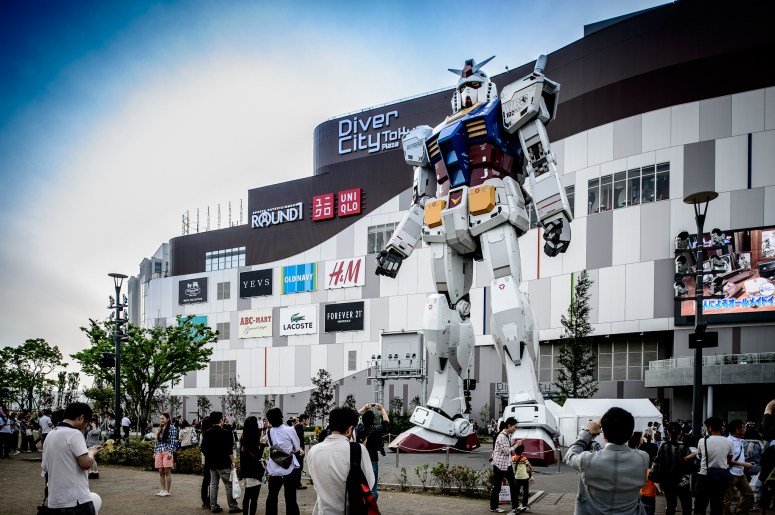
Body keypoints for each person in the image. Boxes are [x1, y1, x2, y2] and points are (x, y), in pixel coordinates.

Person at [565, 407, 650, 515]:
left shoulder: (588, 460)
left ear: (603, 434)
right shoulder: (643, 458)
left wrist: (587, 433)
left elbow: (570, 456)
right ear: (630, 434)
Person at [307, 406, 374, 515]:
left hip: (322, 511)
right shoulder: (358, 449)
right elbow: (368, 484)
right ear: (350, 429)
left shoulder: (313, 451)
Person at [40, 402, 102, 514]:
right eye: (86, 423)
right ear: (81, 417)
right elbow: (86, 464)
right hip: (76, 500)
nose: (84, 427)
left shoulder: (50, 435)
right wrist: (91, 452)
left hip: (55, 501)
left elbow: (45, 468)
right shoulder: (74, 434)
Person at [201, 411, 241, 514]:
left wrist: (209, 456)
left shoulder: (207, 432)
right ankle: (232, 506)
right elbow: (229, 450)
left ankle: (213, 506)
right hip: (224, 463)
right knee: (228, 485)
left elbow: (203, 448)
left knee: (213, 485)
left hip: (211, 463)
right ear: (220, 420)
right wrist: (233, 461)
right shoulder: (226, 432)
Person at [264, 407, 301, 515]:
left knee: (272, 497)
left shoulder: (268, 432)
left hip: (274, 469)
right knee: (290, 498)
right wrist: (290, 450)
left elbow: (272, 447)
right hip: (288, 468)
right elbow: (297, 448)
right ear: (281, 417)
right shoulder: (290, 430)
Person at [694, 416, 733, 515]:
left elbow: (699, 455)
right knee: (717, 506)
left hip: (704, 476)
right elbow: (729, 459)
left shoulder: (702, 441)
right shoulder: (729, 442)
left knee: (700, 506)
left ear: (710, 428)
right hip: (720, 477)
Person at [653, 422, 693, 515]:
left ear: (668, 432)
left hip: (667, 481)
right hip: (683, 481)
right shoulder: (684, 447)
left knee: (671, 505)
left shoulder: (663, 446)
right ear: (680, 433)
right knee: (686, 506)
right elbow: (689, 465)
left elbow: (658, 462)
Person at [355, 403, 390, 501]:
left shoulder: (359, 429)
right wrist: (382, 409)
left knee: (360, 485)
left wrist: (363, 409)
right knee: (373, 487)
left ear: (362, 419)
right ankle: (371, 506)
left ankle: (361, 504)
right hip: (372, 460)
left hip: (359, 460)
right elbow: (386, 423)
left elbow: (352, 419)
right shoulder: (376, 430)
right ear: (373, 420)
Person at [490, 417, 522, 514]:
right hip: (499, 465)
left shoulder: (508, 435)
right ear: (509, 425)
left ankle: (515, 506)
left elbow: (510, 445)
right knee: (497, 487)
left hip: (507, 464)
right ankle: (494, 507)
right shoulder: (502, 436)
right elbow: (507, 451)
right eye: (514, 427)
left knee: (514, 485)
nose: (515, 429)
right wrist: (517, 445)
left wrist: (516, 442)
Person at [724, 419, 755, 513]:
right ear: (737, 430)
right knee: (727, 499)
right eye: (743, 427)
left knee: (749, 495)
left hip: (740, 473)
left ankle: (739, 511)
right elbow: (727, 460)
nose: (745, 429)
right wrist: (744, 464)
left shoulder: (739, 440)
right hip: (730, 473)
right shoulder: (728, 442)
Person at [239, 416, 265, 515]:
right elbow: (258, 456)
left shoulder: (243, 437)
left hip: (246, 471)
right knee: (254, 498)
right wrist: (262, 445)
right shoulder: (254, 438)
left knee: (247, 495)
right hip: (254, 471)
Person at [153, 412, 178, 497]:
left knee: (167, 471)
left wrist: (170, 452)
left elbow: (173, 441)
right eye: (160, 419)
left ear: (167, 419)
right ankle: (162, 489)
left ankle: (167, 491)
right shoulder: (160, 428)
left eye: (163, 418)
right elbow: (157, 441)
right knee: (160, 471)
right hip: (159, 451)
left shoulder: (172, 428)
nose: (161, 420)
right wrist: (155, 451)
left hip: (167, 451)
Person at [512, 444, 533, 512]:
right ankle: (524, 504)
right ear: (522, 450)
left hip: (516, 477)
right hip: (524, 477)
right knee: (525, 491)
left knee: (516, 492)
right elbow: (530, 467)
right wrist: (530, 474)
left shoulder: (512, 458)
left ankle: (515, 506)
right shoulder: (524, 458)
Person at [199, 416, 213, 510]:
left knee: (206, 481)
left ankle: (205, 500)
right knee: (212, 481)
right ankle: (210, 500)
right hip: (210, 459)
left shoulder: (202, 433)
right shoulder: (209, 433)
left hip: (205, 459)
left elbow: (201, 447)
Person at [293, 414, 309, 490]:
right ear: (303, 420)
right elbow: (296, 438)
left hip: (299, 450)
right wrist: (300, 448)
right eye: (307, 419)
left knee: (299, 467)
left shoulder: (299, 427)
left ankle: (297, 483)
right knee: (298, 467)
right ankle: (297, 484)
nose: (308, 421)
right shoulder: (298, 427)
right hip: (298, 451)